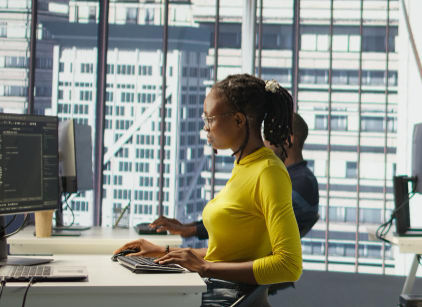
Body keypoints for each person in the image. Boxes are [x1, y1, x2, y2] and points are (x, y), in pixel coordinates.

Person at [114, 74, 303, 306]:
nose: (206, 127)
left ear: (238, 120)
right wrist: (163, 250)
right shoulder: (245, 165)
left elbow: (289, 265)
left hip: (225, 296)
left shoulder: (268, 171)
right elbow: (228, 253)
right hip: (216, 288)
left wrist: (204, 267)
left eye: (210, 118)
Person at [150, 113, 320, 239]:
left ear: (289, 139)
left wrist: (193, 230)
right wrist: (187, 226)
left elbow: (250, 222)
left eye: (269, 134)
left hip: (252, 269)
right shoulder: (285, 176)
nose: (263, 141)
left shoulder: (302, 182)